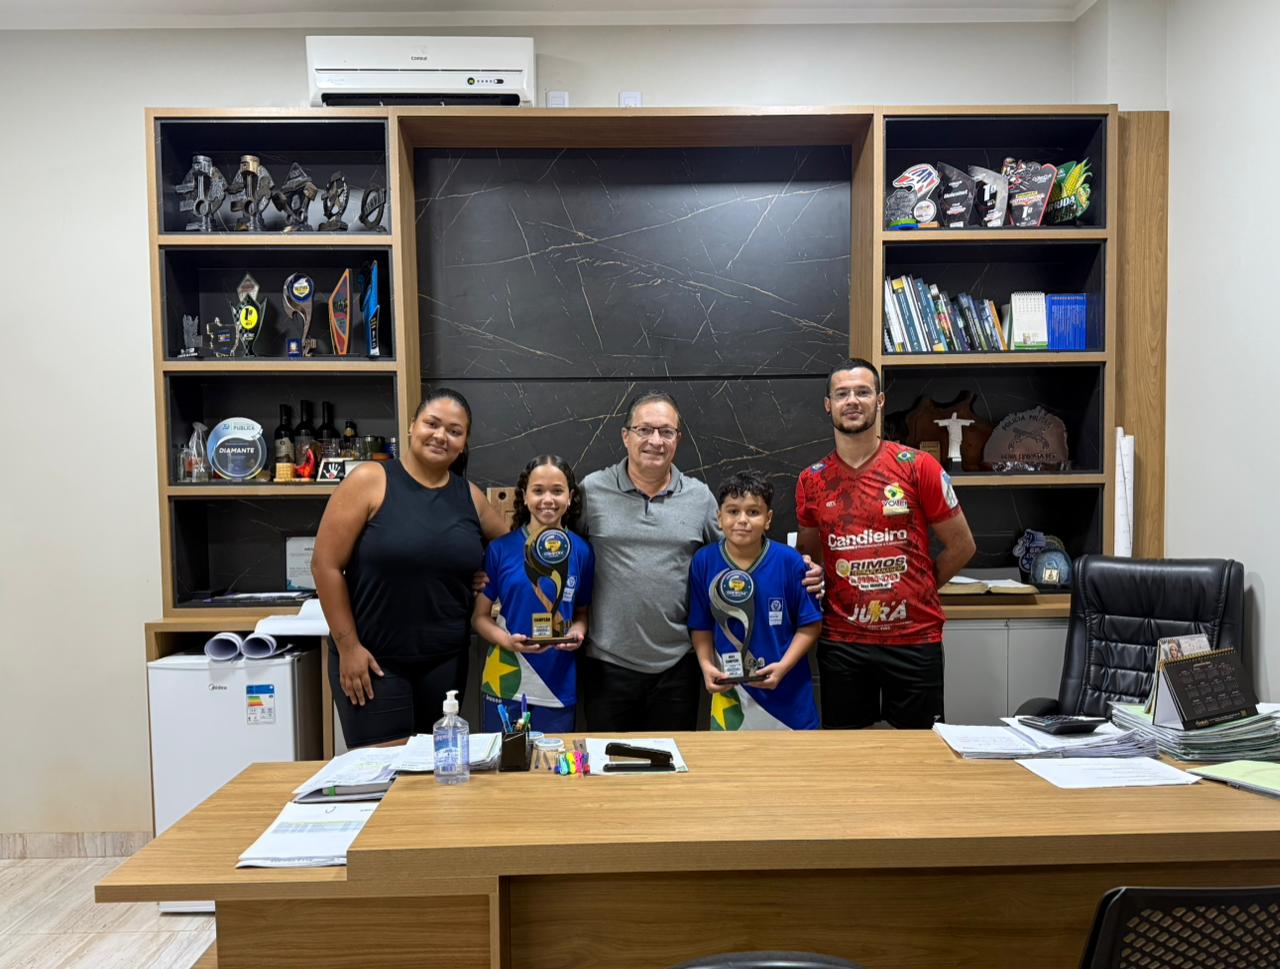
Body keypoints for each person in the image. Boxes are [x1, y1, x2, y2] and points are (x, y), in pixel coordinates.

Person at [312, 388, 508, 747]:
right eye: (432, 424)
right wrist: (349, 647)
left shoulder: (470, 496)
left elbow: (508, 546)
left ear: (464, 444)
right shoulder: (370, 480)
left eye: (454, 431)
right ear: (411, 426)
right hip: (373, 662)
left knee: (438, 771)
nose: (441, 436)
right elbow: (325, 565)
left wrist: (485, 575)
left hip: (445, 663)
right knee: (383, 773)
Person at [796, 358, 977, 730]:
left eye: (862, 392)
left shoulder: (918, 466)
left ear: (879, 401)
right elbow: (809, 558)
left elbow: (962, 546)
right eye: (842, 394)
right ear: (828, 404)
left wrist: (919, 588)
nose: (852, 401)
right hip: (843, 642)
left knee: (921, 753)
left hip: (914, 639)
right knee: (847, 755)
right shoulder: (812, 480)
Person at [578, 391, 720, 731]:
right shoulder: (591, 491)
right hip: (607, 664)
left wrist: (794, 571)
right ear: (625, 436)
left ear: (677, 440)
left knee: (672, 762)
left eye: (666, 432)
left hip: (678, 665)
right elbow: (559, 552)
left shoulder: (700, 497)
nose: (655, 441)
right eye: (644, 430)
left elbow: (734, 558)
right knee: (609, 761)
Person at [688, 471, 823, 731]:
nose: (742, 520)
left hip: (789, 697)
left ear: (768, 519)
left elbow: (810, 625)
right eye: (733, 511)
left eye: (753, 512)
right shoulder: (704, 562)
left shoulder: (790, 562)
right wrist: (706, 666)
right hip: (731, 694)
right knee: (732, 758)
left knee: (796, 758)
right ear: (719, 517)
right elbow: (701, 625)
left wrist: (783, 666)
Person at [472, 455, 594, 734]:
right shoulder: (499, 549)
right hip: (505, 679)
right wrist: (507, 641)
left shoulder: (582, 552)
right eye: (538, 491)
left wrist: (577, 632)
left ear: (570, 497)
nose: (547, 499)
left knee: (553, 761)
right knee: (504, 760)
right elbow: (479, 618)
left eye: (557, 491)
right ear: (525, 497)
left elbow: (582, 613)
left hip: (557, 684)